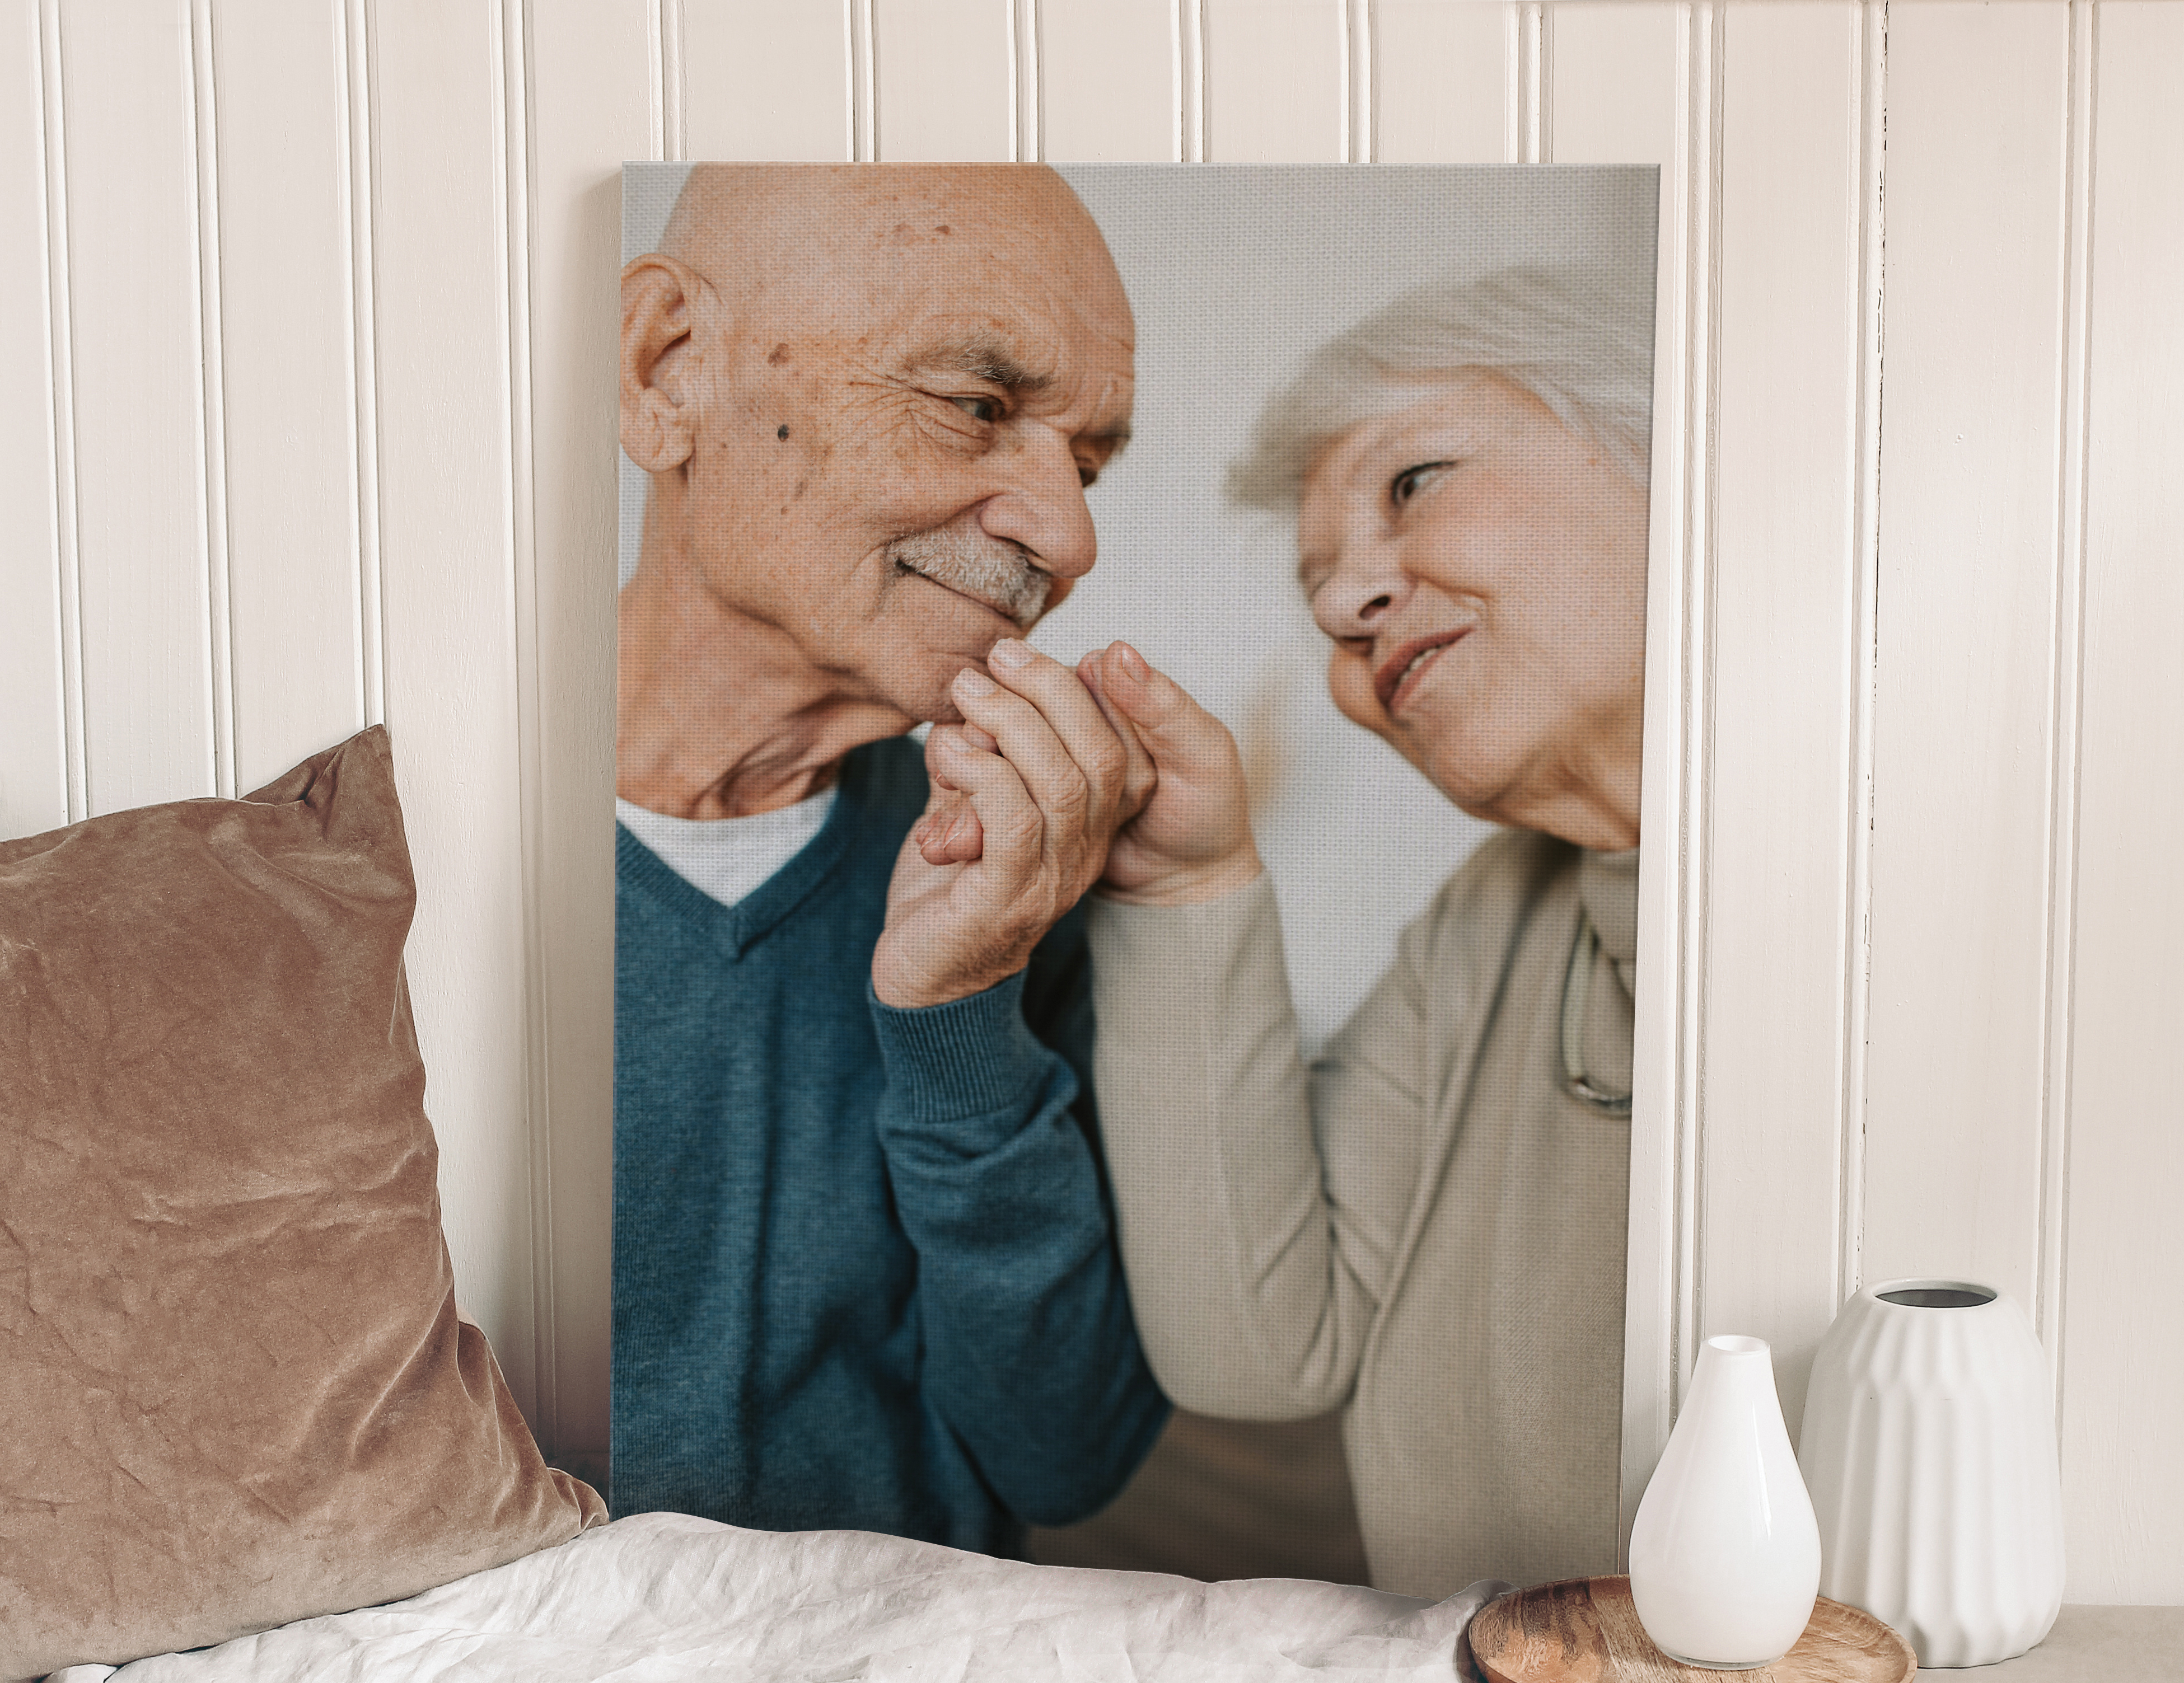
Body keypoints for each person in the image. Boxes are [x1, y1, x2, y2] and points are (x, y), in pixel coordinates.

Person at [1056, 265, 1653, 1597]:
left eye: (1414, 482)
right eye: (1320, 589)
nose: (1341, 611)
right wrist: (1184, 890)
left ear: (1673, 452)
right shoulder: (1485, 925)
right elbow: (1257, 1351)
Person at [609, 163, 1170, 1553]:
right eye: (977, 407)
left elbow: (1067, 1459)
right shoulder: (373, 853)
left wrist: (962, 1012)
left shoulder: (1012, 868)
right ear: (670, 369)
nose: (1072, 535)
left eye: (1086, 466)